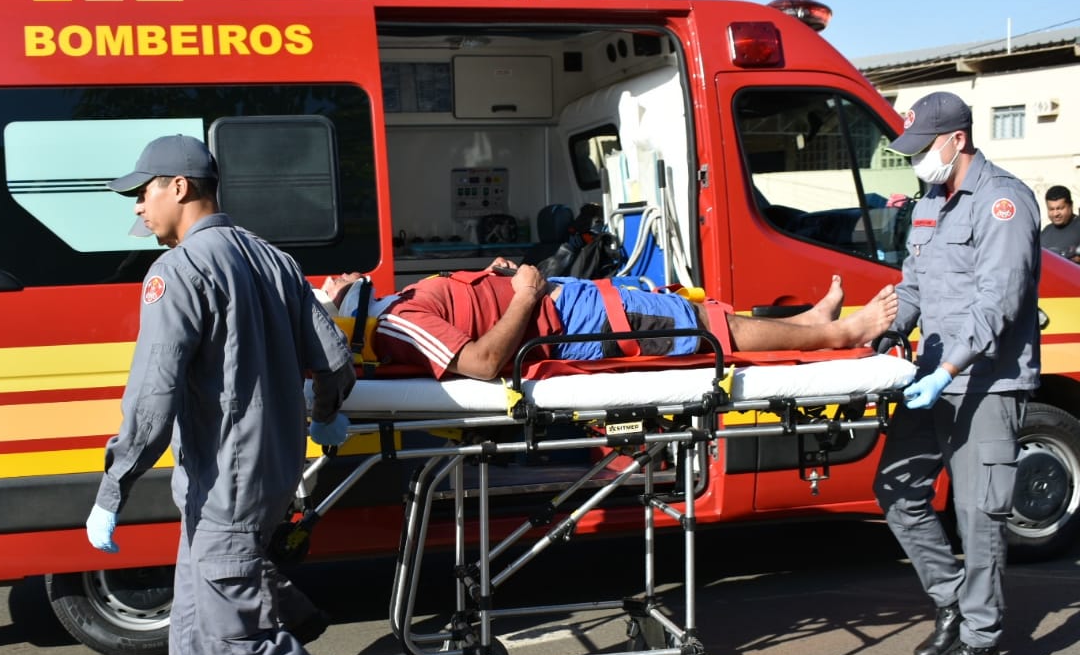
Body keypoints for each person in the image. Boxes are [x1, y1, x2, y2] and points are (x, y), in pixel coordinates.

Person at [83, 135, 422, 655]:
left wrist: (112, 487)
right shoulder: (274, 260)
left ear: (180, 186)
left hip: (223, 493)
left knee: (237, 643)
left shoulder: (177, 273)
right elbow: (334, 366)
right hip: (265, 477)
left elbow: (151, 397)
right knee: (190, 635)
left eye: (143, 191)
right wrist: (323, 415)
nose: (139, 207)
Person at [873, 91, 1040, 655]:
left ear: (958, 140)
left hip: (987, 381)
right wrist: (888, 328)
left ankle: (983, 645)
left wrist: (950, 369)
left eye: (924, 149)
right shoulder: (929, 203)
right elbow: (914, 285)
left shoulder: (1003, 202)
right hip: (933, 379)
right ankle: (953, 601)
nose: (918, 161)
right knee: (897, 491)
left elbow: (1000, 302)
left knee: (979, 514)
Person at [320, 260, 898, 380]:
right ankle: (843, 332)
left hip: (575, 302)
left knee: (703, 314)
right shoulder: (396, 324)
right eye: (333, 287)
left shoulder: (400, 305)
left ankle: (809, 319)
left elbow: (470, 313)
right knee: (708, 329)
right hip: (583, 318)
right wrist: (524, 294)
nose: (335, 277)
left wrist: (496, 276)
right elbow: (483, 363)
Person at [1040, 184, 1080, 261]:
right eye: (1051, 209)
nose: (1056, 214)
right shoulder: (1045, 231)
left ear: (1071, 205)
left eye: (1060, 208)